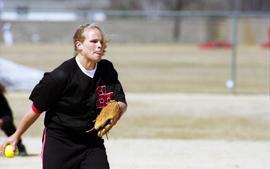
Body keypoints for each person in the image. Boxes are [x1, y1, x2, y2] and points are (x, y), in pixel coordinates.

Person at [0, 23, 127, 169]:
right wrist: (16, 136)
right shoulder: (60, 76)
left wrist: (118, 110)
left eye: (101, 42)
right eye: (93, 41)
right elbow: (36, 109)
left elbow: (121, 101)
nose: (99, 45)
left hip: (92, 142)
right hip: (60, 143)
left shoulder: (107, 70)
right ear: (79, 45)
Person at [0, 83, 27, 156]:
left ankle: (19, 145)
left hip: (4, 118)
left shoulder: (1, 98)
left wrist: (2, 120)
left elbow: (8, 115)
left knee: (7, 123)